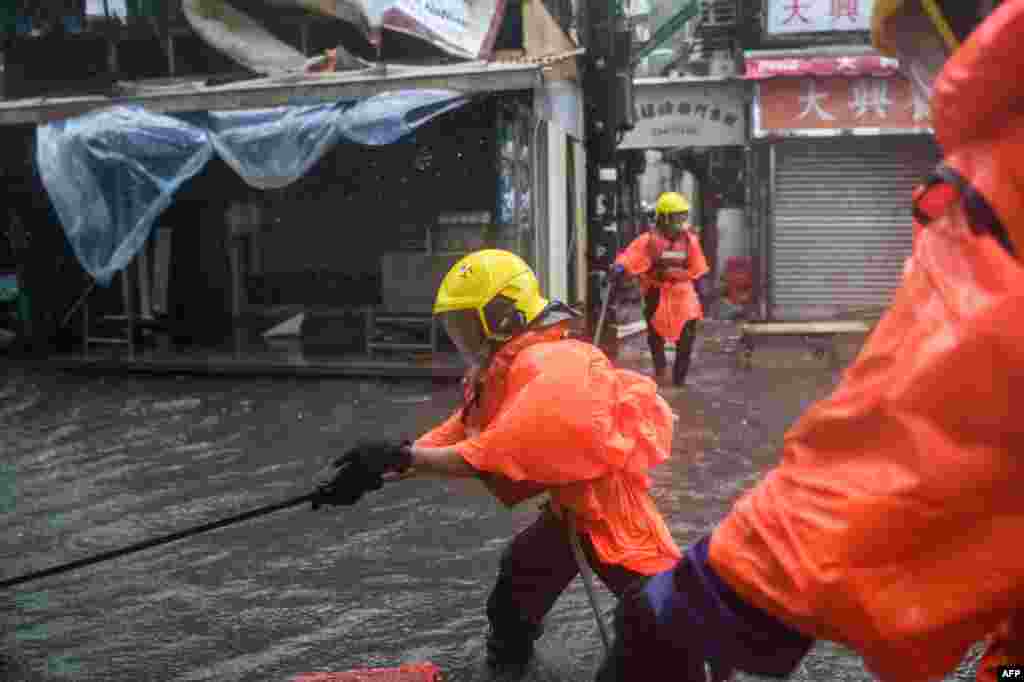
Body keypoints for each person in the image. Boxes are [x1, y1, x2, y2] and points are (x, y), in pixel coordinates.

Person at [594, 2, 1024, 681]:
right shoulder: (987, 179)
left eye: (927, 48)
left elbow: (935, 417)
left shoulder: (998, 187)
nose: (930, 78)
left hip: (685, 313)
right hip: (661, 309)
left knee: (678, 359)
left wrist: (719, 587)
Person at [312, 249, 682, 671]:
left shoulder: (554, 361)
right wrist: (379, 470)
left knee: (658, 627)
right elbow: (461, 430)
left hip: (614, 517)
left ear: (504, 316)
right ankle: (512, 669)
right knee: (517, 585)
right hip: (569, 512)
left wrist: (405, 457)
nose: (463, 339)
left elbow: (492, 451)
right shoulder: (505, 366)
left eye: (468, 325)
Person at [611, 191, 709, 387]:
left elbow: (698, 267)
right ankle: (660, 368)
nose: (681, 221)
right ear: (664, 218)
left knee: (687, 337)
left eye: (683, 215)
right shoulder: (648, 240)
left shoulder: (690, 241)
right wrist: (620, 266)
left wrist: (693, 283)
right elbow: (630, 256)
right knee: (655, 335)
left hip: (683, 294)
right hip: (656, 292)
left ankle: (679, 378)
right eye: (677, 216)